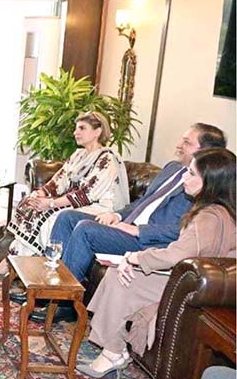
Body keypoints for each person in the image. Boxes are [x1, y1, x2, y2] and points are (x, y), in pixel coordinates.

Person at [37, 123, 228, 323]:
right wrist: (117, 216)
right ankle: (48, 289)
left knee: (85, 230)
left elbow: (185, 230)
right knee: (67, 216)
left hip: (145, 240)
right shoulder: (172, 168)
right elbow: (142, 202)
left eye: (187, 142)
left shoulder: (205, 186)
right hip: (126, 226)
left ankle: (64, 302)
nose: (179, 145)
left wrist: (138, 230)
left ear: (206, 151)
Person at [76, 147, 235, 378]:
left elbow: (175, 255)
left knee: (119, 278)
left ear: (210, 182)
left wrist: (134, 258)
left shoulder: (209, 217)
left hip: (188, 288)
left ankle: (113, 353)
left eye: (190, 174)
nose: (183, 178)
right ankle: (112, 350)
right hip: (197, 285)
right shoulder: (224, 212)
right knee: (121, 273)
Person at [0, 111, 129, 275]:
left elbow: (87, 194)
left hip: (98, 209)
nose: (76, 132)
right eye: (76, 128)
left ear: (97, 132)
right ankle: (14, 261)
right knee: (30, 205)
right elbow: (59, 180)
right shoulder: (78, 155)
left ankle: (33, 269)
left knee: (49, 217)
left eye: (82, 128)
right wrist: (40, 193)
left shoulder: (107, 158)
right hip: (76, 204)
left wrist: (51, 203)